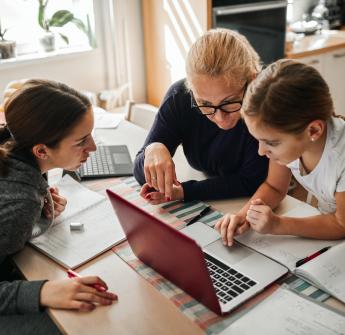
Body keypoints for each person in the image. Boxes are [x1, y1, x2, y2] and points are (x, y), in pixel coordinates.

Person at [0, 79, 117, 334]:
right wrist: (41, 291)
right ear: (41, 151)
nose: (93, 148)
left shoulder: (14, 149)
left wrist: (39, 198)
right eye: (81, 141)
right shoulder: (19, 201)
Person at [215, 59, 345, 246]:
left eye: (270, 143)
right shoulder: (293, 142)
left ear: (314, 131)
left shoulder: (341, 158)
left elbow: (341, 224)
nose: (261, 151)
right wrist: (244, 215)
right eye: (258, 140)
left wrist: (278, 225)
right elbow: (275, 187)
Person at [133, 29, 268, 204]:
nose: (219, 117)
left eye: (229, 102)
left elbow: (250, 181)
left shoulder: (264, 105)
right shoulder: (179, 98)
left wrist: (184, 192)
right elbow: (139, 173)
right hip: (221, 197)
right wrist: (153, 148)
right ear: (190, 89)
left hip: (259, 199)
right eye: (204, 103)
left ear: (252, 80)